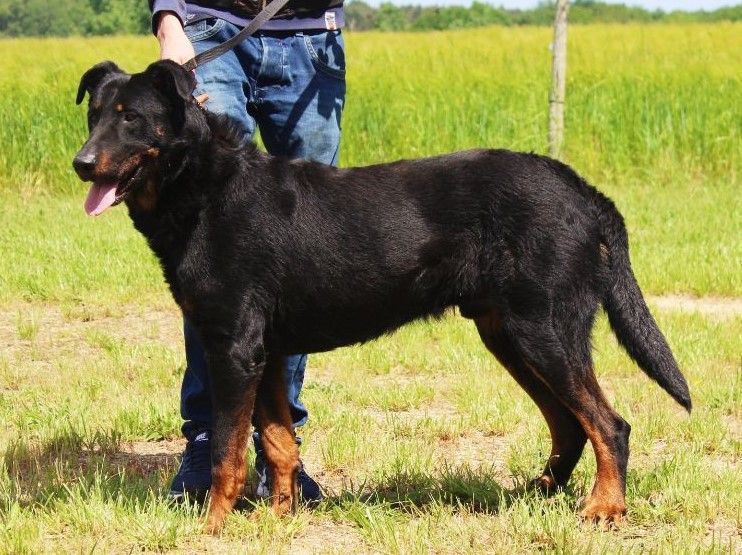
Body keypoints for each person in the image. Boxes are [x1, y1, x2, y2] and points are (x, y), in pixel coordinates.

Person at [149, 0, 346, 503]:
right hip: (208, 26)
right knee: (211, 263)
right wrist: (169, 21)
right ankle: (208, 443)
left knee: (299, 262)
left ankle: (279, 450)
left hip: (312, 39)